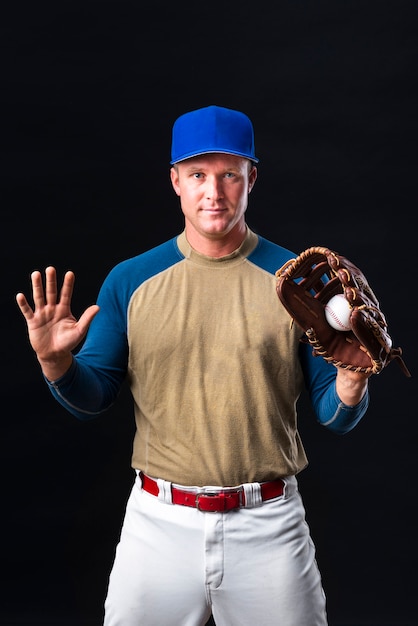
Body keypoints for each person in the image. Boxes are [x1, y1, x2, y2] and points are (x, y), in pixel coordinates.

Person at [16, 104, 371, 626]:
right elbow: (93, 397)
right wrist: (55, 363)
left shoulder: (299, 283)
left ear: (253, 178)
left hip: (268, 522)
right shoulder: (131, 280)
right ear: (175, 181)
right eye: (199, 174)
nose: (215, 191)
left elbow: (331, 414)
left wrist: (350, 382)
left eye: (231, 174)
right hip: (159, 520)